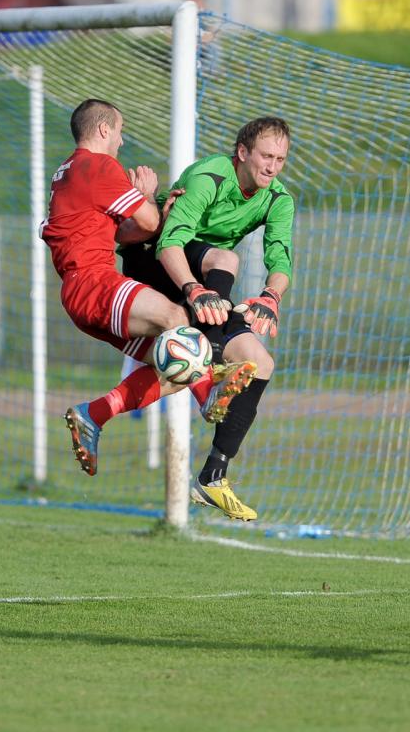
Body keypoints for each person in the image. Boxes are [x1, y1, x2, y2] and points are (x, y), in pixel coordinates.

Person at [40, 99, 256, 517]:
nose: (122, 139)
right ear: (103, 130)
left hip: (79, 293)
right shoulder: (99, 166)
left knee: (174, 364)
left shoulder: (65, 172)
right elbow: (148, 223)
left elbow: (120, 231)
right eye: (119, 130)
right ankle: (210, 394)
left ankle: (94, 414)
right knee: (178, 320)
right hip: (95, 283)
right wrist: (150, 198)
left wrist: (145, 214)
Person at [119, 116, 294, 522]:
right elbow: (169, 241)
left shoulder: (278, 198)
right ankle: (214, 365)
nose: (272, 166)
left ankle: (213, 476)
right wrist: (195, 291)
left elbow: (281, 258)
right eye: (266, 156)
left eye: (280, 159)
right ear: (243, 153)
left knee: (261, 363)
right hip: (157, 262)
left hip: (207, 278)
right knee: (225, 257)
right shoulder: (209, 176)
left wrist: (272, 295)